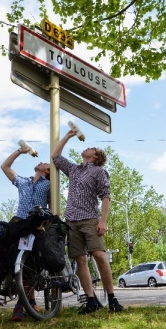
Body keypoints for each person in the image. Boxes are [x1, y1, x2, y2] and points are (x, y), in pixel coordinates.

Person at [51, 130, 123, 314]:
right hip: (72, 221)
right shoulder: (74, 170)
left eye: (91, 148)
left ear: (96, 156)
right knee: (80, 259)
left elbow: (105, 197)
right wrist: (67, 136)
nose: (87, 147)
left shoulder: (99, 172)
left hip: (90, 219)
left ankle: (112, 298)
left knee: (99, 255)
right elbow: (55, 156)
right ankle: (91, 300)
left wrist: (103, 221)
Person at [1, 146, 50, 321]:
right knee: (18, 263)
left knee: (30, 266)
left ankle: (21, 305)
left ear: (48, 170)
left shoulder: (49, 184)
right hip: (20, 226)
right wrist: (19, 152)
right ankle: (30, 301)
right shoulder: (23, 181)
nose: (40, 161)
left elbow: (53, 208)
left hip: (36, 227)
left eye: (44, 162)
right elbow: (5, 167)